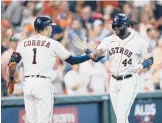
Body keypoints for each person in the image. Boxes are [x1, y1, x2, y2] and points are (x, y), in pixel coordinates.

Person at [7, 16, 103, 123]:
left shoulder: (23, 43)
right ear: (46, 28)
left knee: (31, 121)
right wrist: (89, 56)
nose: (51, 29)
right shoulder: (53, 43)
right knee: (44, 120)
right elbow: (72, 61)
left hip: (28, 84)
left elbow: (12, 63)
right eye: (50, 27)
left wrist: (11, 79)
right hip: (42, 83)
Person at [73, 13, 154, 123]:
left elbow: (150, 59)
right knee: (120, 118)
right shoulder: (108, 40)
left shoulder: (138, 41)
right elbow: (96, 57)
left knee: (121, 118)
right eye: (114, 25)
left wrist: (141, 65)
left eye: (118, 25)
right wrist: (86, 49)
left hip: (129, 82)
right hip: (114, 82)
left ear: (126, 25)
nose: (115, 27)